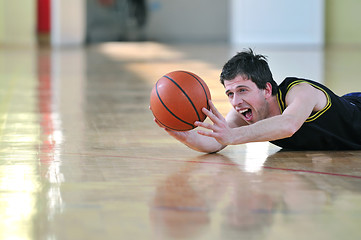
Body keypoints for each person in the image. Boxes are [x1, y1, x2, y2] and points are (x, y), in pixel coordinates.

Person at [154, 49, 361, 152]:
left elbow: (288, 124)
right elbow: (216, 142)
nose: (236, 101)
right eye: (230, 93)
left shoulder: (300, 92)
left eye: (243, 90)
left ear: (267, 89)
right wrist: (183, 135)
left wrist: (233, 136)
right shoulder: (244, 112)